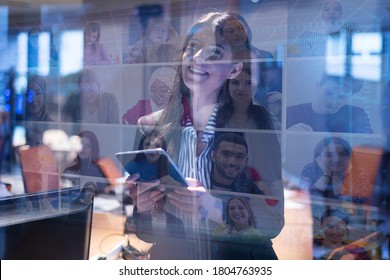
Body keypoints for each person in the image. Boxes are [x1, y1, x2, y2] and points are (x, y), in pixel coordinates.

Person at [129, 12, 248, 260]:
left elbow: (273, 222)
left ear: (235, 68)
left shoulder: (256, 127)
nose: (195, 59)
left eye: (213, 52)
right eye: (191, 48)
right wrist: (145, 208)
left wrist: (215, 208)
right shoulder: (149, 126)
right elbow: (146, 233)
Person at [286, 72, 372, 133]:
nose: (333, 102)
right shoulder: (290, 112)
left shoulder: (358, 115)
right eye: (328, 93)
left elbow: (368, 148)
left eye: (341, 97)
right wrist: (285, 137)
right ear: (317, 86)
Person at [211, 197, 277, 259]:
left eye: (241, 208)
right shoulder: (219, 231)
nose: (236, 211)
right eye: (232, 208)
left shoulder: (259, 238)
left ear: (249, 211)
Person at [215, 63, 274, 129]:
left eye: (249, 83)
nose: (241, 88)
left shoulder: (265, 115)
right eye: (235, 83)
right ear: (227, 85)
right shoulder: (213, 113)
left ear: (257, 86)